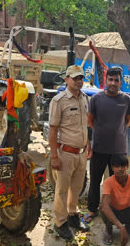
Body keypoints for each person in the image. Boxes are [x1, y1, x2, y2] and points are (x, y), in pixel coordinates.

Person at [84, 67, 130, 223]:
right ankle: (92, 210)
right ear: (105, 81)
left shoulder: (126, 99)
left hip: (119, 151)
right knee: (95, 181)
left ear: (120, 82)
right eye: (110, 80)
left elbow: (128, 121)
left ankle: (115, 211)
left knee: (118, 183)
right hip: (99, 148)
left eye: (116, 80)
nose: (113, 83)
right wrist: (101, 132)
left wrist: (116, 132)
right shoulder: (96, 99)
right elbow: (90, 120)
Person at [49, 65, 92, 240]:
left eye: (81, 78)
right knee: (62, 190)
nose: (79, 81)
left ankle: (73, 215)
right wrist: (53, 156)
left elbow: (85, 126)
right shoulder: (59, 101)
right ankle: (60, 222)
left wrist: (87, 143)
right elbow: (53, 131)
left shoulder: (85, 99)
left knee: (77, 188)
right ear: (66, 79)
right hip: (65, 153)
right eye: (75, 78)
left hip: (81, 153)